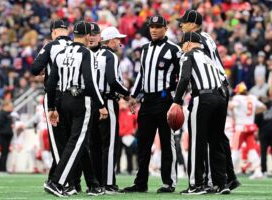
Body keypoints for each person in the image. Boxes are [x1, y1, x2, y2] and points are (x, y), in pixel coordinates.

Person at [177, 9, 240, 191]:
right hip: (220, 88)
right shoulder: (207, 37)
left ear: (193, 24)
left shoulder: (196, 41)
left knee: (204, 136)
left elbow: (191, 67)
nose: (181, 25)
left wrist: (177, 98)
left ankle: (208, 181)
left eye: (184, 22)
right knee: (217, 136)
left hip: (210, 89)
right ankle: (226, 179)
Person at [45, 21, 108, 197]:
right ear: (88, 36)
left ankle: (93, 185)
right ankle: (57, 182)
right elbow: (90, 81)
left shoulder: (61, 53)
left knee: (80, 143)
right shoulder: (86, 53)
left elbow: (50, 82)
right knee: (77, 142)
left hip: (63, 100)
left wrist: (52, 107)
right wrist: (101, 105)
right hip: (80, 100)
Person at [124, 15, 181, 193]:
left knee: (166, 143)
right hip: (147, 101)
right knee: (143, 144)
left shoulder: (174, 49)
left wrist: (177, 100)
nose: (154, 29)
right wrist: (133, 96)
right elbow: (141, 74)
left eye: (158, 26)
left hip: (165, 101)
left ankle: (169, 182)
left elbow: (183, 77)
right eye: (151, 27)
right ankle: (141, 183)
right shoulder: (145, 48)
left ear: (165, 28)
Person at [171, 32, 230, 195]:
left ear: (189, 43)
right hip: (220, 98)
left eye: (182, 44)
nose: (182, 47)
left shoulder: (188, 55)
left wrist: (176, 101)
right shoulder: (208, 58)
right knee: (216, 141)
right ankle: (221, 183)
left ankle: (196, 184)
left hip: (203, 98)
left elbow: (184, 78)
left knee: (197, 142)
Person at [30, 20, 79, 194]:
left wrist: (45, 69)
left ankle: (62, 182)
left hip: (54, 95)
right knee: (72, 140)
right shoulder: (76, 45)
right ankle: (70, 180)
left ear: (53, 32)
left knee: (58, 142)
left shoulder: (50, 46)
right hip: (74, 97)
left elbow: (35, 69)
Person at [90, 26, 130, 194]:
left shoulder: (93, 55)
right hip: (108, 102)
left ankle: (96, 183)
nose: (119, 43)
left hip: (93, 102)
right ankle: (108, 183)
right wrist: (127, 94)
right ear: (111, 40)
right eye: (117, 40)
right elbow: (113, 81)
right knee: (110, 145)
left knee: (96, 145)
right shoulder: (110, 56)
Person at [229, 82, 266, 179]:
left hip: (240, 127)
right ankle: (258, 171)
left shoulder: (237, 98)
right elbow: (263, 107)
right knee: (252, 149)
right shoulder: (252, 98)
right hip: (250, 126)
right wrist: (252, 113)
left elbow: (232, 106)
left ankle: (228, 172)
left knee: (235, 150)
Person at [255, 99, 272, 177]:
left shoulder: (261, 110)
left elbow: (256, 122)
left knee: (263, 153)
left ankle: (264, 171)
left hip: (263, 134)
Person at [0, 101, 14, 172]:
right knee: (3, 152)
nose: (11, 108)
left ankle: (3, 169)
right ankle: (1, 169)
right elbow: (1, 124)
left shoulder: (9, 114)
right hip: (3, 135)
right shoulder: (2, 114)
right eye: (10, 106)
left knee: (5, 152)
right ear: (5, 106)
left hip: (7, 135)